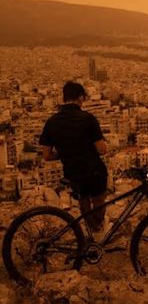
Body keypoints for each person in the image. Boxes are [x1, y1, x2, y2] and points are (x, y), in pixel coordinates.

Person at [39, 81, 108, 232]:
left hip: (72, 172)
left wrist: (65, 151)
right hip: (93, 170)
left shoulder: (51, 122)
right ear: (80, 97)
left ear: (64, 98)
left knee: (83, 201)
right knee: (98, 200)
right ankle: (98, 232)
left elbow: (46, 155)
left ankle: (89, 232)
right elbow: (102, 150)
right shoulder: (88, 118)